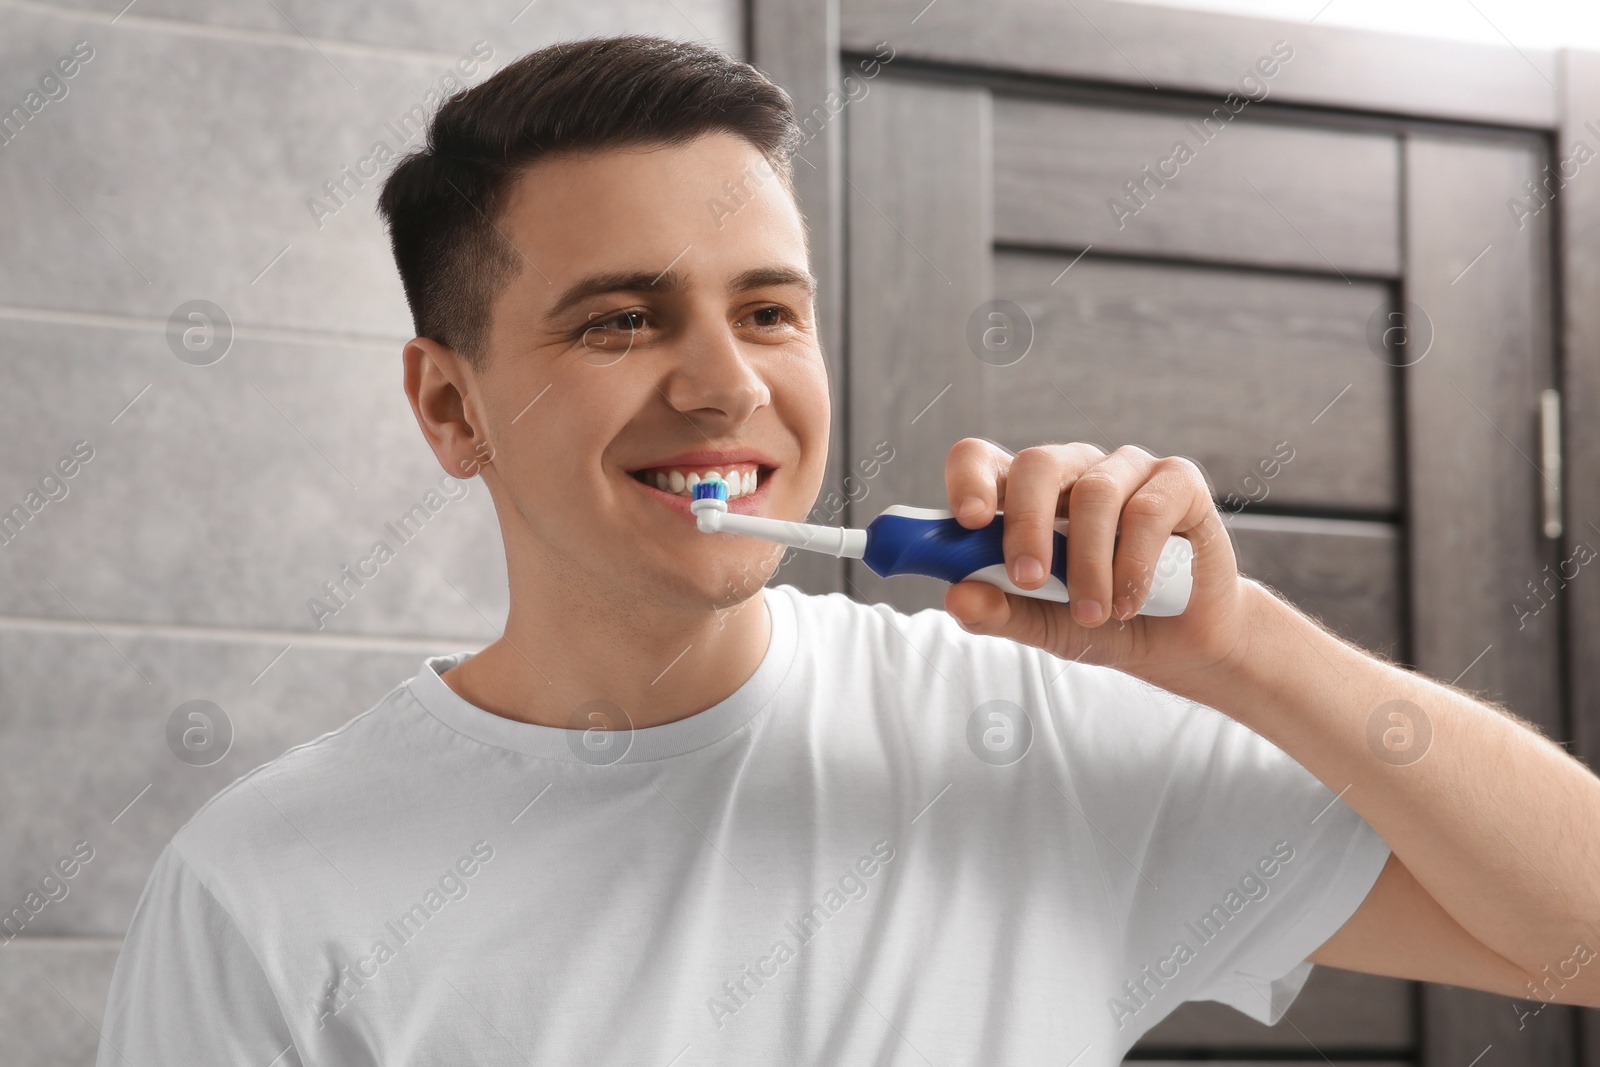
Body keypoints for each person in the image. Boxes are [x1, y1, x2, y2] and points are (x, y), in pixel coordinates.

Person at [96, 32, 1600, 1066]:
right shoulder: (263, 889)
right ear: (450, 404)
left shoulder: (1034, 737)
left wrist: (1244, 648)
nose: (727, 385)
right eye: (622, 319)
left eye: (767, 312)